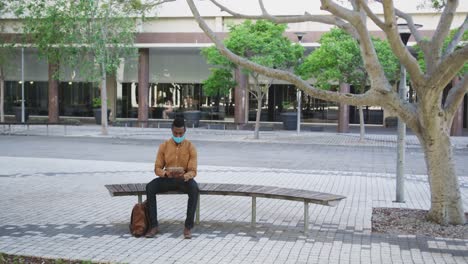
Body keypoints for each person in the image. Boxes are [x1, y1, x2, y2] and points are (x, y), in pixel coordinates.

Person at [145, 117, 199, 239]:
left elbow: (193, 170)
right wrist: (165, 174)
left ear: (185, 131)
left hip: (183, 180)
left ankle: (188, 227)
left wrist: (185, 175)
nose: (178, 135)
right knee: (150, 187)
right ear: (171, 131)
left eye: (181, 133)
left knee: (194, 188)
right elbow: (157, 168)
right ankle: (153, 225)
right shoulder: (164, 146)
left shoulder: (191, 147)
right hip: (167, 179)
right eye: (176, 133)